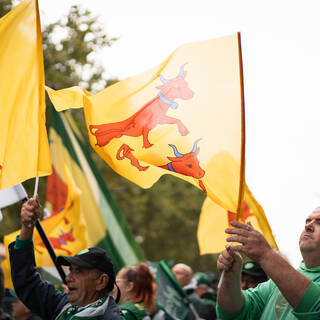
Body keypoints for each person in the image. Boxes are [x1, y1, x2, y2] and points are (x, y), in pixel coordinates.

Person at [8, 197, 124, 320]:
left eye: (79, 271)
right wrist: (27, 227)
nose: (68, 278)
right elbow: (27, 283)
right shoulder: (63, 304)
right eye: (70, 270)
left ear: (101, 281)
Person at [216, 209, 320, 319]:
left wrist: (265, 254)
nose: (308, 226)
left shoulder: (281, 279)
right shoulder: (275, 284)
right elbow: (234, 312)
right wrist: (230, 278)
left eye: (319, 222)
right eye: (307, 221)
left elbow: (315, 307)